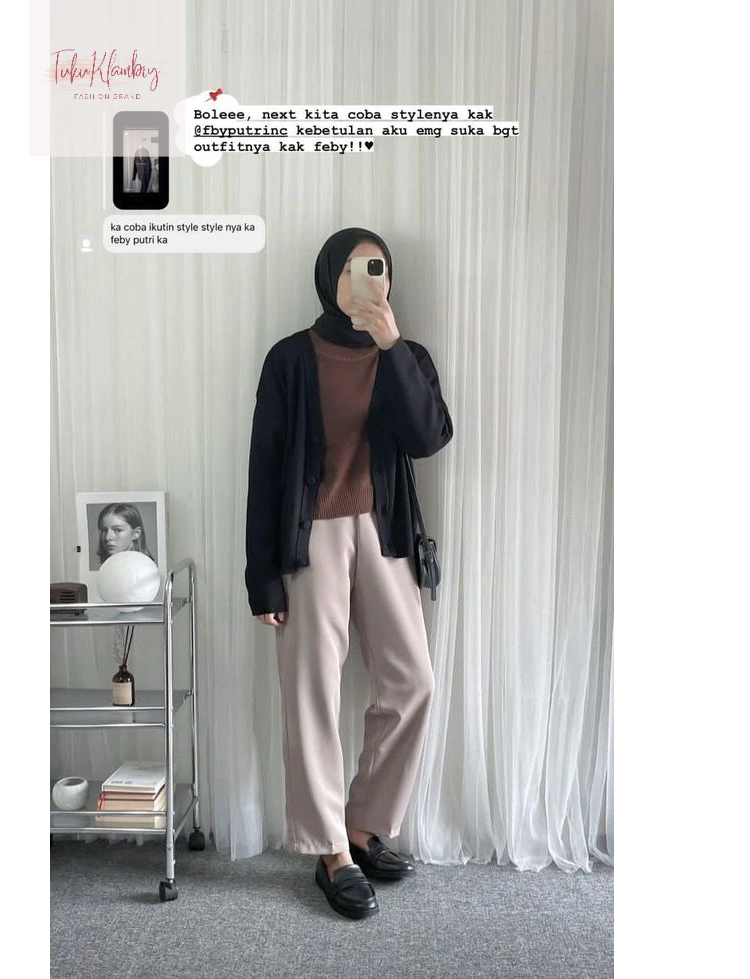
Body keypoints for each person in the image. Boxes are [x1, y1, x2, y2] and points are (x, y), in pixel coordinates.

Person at [244, 227, 453, 919]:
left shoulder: (407, 356)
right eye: (355, 269)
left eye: (379, 268)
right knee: (311, 691)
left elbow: (428, 437)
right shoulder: (289, 359)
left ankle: (363, 827)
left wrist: (392, 347)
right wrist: (261, 576)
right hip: (309, 540)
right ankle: (330, 850)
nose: (369, 279)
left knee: (412, 681)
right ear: (329, 277)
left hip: (385, 533)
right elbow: (264, 470)